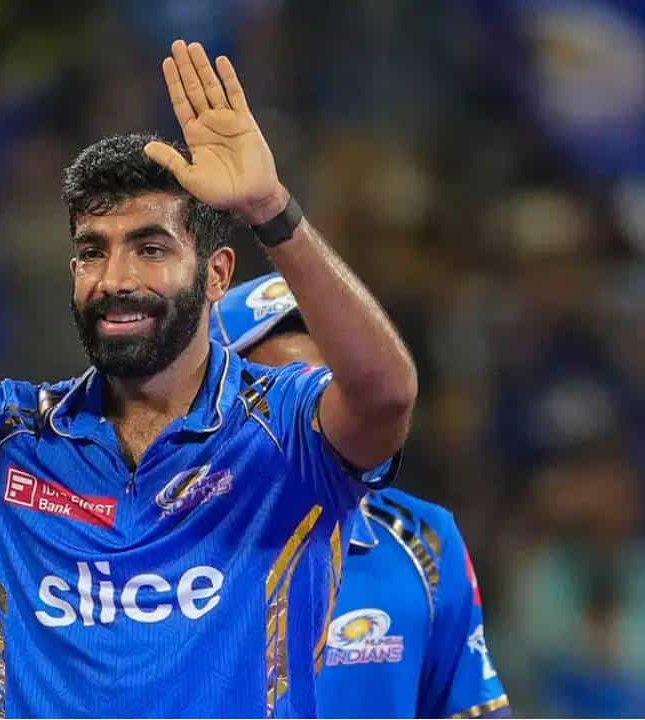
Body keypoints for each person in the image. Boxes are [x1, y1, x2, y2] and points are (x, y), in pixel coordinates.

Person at [0, 40, 417, 717]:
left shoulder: (285, 430)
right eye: (93, 252)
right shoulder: (0, 438)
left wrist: (271, 210)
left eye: (150, 249)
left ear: (216, 276)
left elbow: (386, 396)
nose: (116, 279)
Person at [216, 273, 509, 718]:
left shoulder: (423, 537)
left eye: (328, 391)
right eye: (278, 394)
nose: (308, 416)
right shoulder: (163, 546)